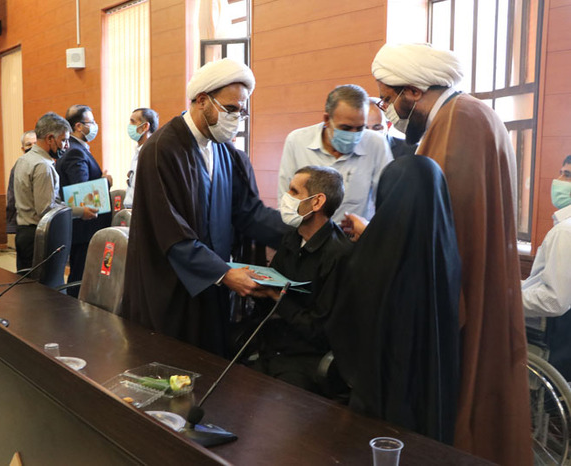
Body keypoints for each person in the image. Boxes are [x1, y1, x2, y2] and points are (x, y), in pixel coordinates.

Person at [371, 43, 531, 464]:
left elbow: (442, 235)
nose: (387, 111)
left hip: (461, 293)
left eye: (387, 99)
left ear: (412, 91)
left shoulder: (458, 122)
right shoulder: (470, 113)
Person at [120, 58, 288, 356]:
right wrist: (223, 273)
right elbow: (171, 232)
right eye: (230, 109)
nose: (236, 118)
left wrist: (302, 233)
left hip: (213, 284)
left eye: (241, 111)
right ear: (201, 101)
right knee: (170, 367)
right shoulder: (161, 149)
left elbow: (248, 212)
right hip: (171, 289)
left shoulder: (223, 151)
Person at [328, 155, 461, 443]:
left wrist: (366, 242)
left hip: (383, 392)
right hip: (433, 386)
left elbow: (345, 322)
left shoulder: (372, 258)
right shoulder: (447, 251)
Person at [253, 166, 352, 395]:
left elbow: (320, 330)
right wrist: (255, 285)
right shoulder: (292, 238)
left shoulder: (339, 255)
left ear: (317, 202)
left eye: (294, 191)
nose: (286, 197)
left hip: (308, 359)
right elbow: (273, 283)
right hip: (274, 346)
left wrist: (276, 297)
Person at [277, 84, 392, 222]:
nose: (353, 135)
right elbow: (286, 201)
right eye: (346, 128)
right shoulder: (297, 141)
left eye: (360, 128)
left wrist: (367, 229)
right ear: (327, 119)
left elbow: (389, 203)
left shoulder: (376, 144)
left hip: (357, 234)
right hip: (307, 233)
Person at [13, 112, 98, 270]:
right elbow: (47, 210)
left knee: (27, 283)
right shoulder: (43, 166)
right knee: (44, 284)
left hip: (24, 233)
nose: (66, 146)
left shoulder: (24, 159)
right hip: (38, 236)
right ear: (50, 138)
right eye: (64, 140)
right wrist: (81, 211)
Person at [523, 155, 571, 378]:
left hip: (557, 339)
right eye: (561, 172)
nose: (558, 181)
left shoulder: (565, 232)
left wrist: (505, 298)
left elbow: (554, 300)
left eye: (567, 175)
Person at [55, 105, 112, 294]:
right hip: (85, 227)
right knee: (80, 277)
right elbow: (81, 192)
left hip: (83, 227)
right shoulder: (75, 151)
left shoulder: (75, 149)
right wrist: (105, 182)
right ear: (79, 126)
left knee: (81, 275)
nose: (95, 126)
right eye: (91, 122)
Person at [124, 107, 159, 208]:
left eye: (133, 122)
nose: (129, 125)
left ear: (145, 127)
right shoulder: (138, 151)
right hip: (130, 209)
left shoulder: (153, 153)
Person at [6, 130, 37, 236]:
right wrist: (11, 226)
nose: (32, 147)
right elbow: (12, 198)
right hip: (25, 224)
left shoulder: (46, 164)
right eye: (28, 144)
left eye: (35, 144)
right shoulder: (18, 167)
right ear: (23, 149)